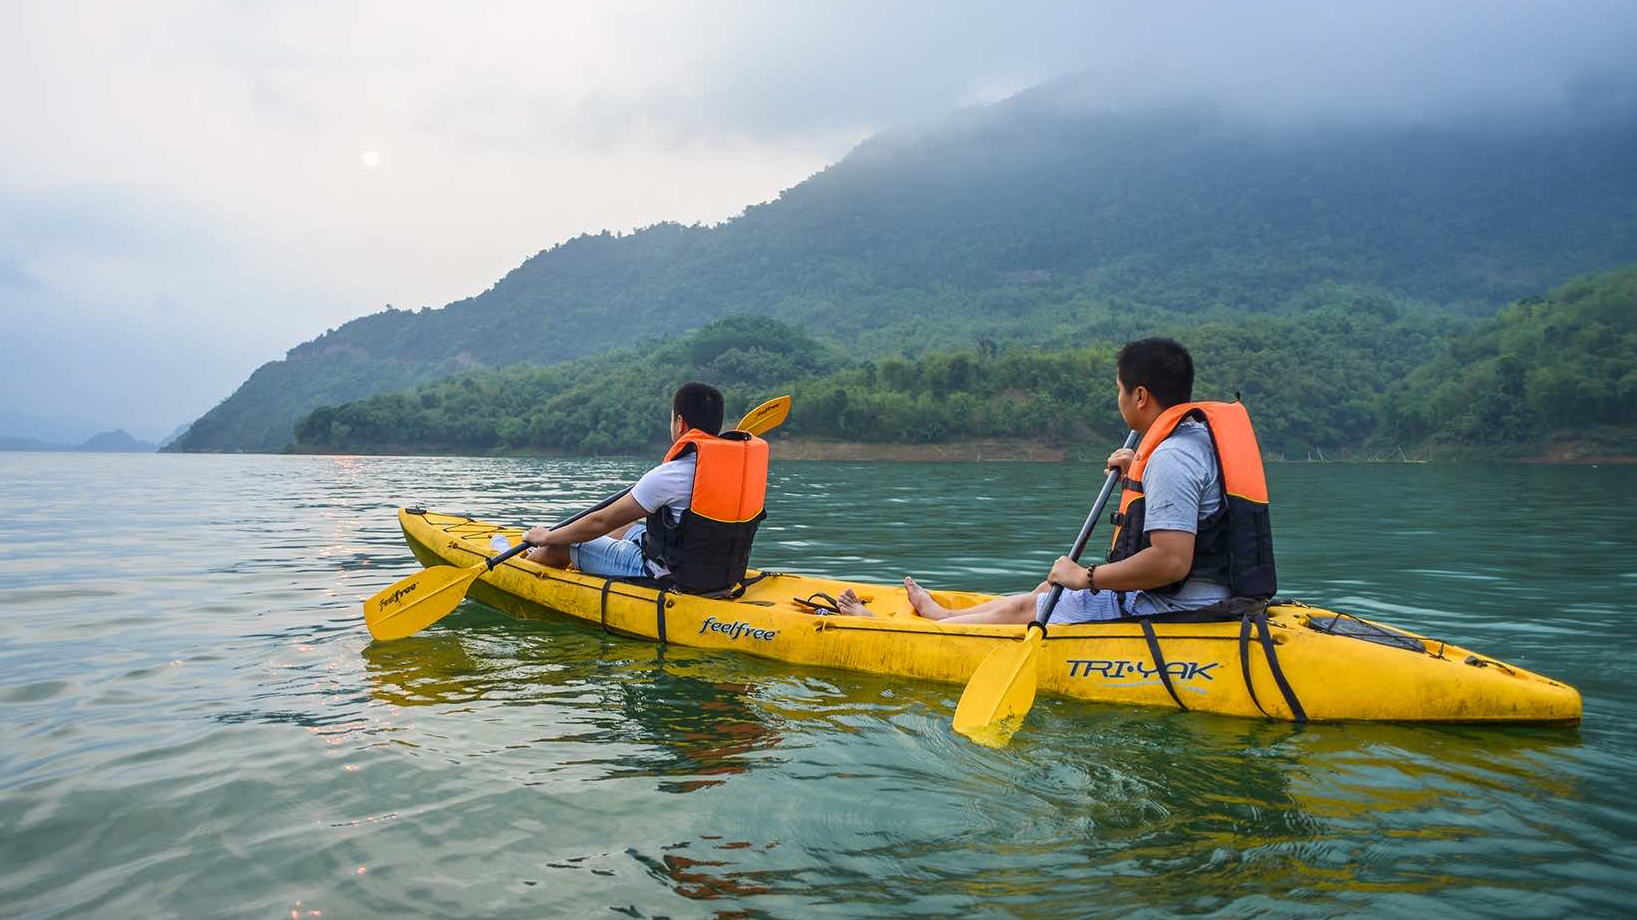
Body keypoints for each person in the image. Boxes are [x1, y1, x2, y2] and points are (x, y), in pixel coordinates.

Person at [836, 337, 1275, 624]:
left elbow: (1171, 562)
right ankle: (943, 617)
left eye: (1119, 389)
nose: (1118, 397)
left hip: (1177, 605)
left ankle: (900, 627)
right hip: (1207, 592)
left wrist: (1087, 576)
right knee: (1049, 587)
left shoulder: (1171, 457)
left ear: (1140, 396)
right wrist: (1137, 466)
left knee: (1034, 602)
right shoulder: (1194, 440)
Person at [521, 381, 769, 595]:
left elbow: (600, 521)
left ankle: (524, 567)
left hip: (667, 574)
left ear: (680, 423)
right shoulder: (738, 474)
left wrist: (547, 536)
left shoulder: (670, 475)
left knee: (564, 544)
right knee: (625, 526)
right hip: (720, 573)